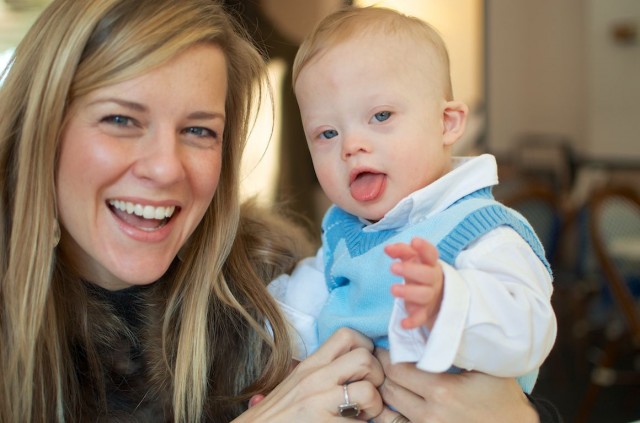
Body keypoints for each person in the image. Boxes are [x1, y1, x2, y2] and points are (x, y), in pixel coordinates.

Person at [0, 0, 562, 421]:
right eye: (121, 120)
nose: (166, 168)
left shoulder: (267, 273)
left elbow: (522, 330)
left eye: (198, 130)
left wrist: (528, 419)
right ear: (41, 126)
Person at [268, 5, 557, 395]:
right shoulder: (343, 234)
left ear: (447, 123)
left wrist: (446, 303)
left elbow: (531, 333)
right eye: (327, 134)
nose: (352, 146)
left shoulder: (480, 229)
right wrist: (283, 370)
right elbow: (301, 309)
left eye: (381, 116)